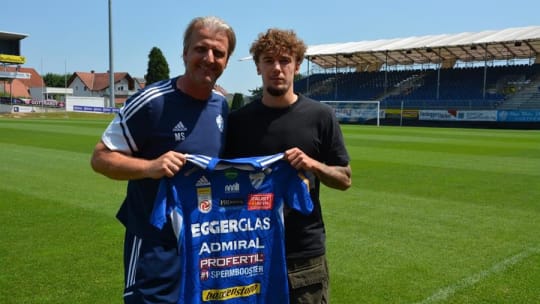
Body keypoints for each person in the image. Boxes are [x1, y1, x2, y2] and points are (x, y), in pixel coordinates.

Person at [90, 16, 236, 304]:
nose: (209, 58)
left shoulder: (221, 106)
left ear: (227, 60)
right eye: (201, 49)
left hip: (203, 244)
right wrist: (150, 167)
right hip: (154, 245)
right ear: (184, 53)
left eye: (218, 53)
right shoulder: (152, 102)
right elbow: (100, 157)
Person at [223, 28, 352, 303]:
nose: (277, 68)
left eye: (284, 60)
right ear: (258, 67)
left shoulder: (321, 116)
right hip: (250, 250)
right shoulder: (238, 122)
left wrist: (312, 164)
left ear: (297, 65)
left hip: (303, 256)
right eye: (268, 60)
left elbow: (344, 179)